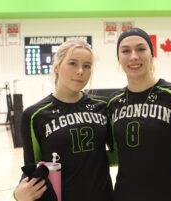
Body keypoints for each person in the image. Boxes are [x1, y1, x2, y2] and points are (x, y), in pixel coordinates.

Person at [107, 28, 171, 201]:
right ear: (118, 59)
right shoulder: (113, 103)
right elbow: (116, 154)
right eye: (125, 51)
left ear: (152, 54)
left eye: (141, 49)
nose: (133, 56)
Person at [14, 39, 113, 201]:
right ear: (57, 67)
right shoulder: (34, 115)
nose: (80, 71)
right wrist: (17, 195)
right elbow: (32, 169)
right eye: (73, 63)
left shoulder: (103, 107)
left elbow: (119, 153)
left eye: (87, 65)